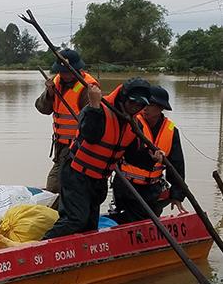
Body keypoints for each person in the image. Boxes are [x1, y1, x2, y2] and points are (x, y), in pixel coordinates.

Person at [43, 77, 164, 239]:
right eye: (132, 102)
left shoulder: (134, 124)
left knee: (89, 227)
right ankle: (41, 247)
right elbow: (90, 135)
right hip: (76, 175)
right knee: (75, 220)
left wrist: (153, 158)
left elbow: (132, 156)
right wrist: (94, 106)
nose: (135, 107)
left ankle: (83, 259)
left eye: (140, 104)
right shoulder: (95, 109)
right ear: (123, 98)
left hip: (98, 181)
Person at [112, 85, 187, 223]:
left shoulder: (171, 131)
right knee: (134, 220)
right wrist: (149, 158)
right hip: (127, 187)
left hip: (152, 189)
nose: (144, 108)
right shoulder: (132, 124)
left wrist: (177, 195)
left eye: (150, 105)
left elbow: (177, 165)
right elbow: (128, 154)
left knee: (149, 221)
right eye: (143, 103)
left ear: (161, 108)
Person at [35, 49, 99, 196]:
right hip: (60, 145)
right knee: (59, 184)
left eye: (68, 72)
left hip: (77, 146)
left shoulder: (87, 89)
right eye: (62, 72)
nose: (65, 75)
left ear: (78, 70)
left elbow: (94, 123)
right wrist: (49, 94)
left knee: (55, 184)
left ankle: (62, 212)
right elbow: (42, 108)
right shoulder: (56, 83)